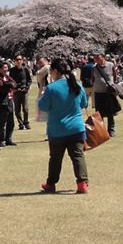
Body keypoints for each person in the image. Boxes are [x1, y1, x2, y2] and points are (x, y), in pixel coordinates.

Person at [37, 59, 89, 194]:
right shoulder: (77, 85)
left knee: (55, 159)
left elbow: (43, 106)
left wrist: (43, 96)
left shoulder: (51, 88)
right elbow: (84, 103)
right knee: (78, 156)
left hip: (57, 129)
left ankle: (51, 184)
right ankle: (82, 183)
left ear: (55, 71)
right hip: (76, 127)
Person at [91, 52, 121, 137]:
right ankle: (101, 131)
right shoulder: (94, 68)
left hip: (108, 92)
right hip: (98, 92)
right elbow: (92, 79)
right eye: (95, 57)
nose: (96, 59)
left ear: (103, 57)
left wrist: (112, 86)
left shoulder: (110, 65)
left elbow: (115, 77)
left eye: (98, 57)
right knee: (99, 113)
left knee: (110, 112)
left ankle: (111, 130)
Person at [0, 61, 17, 147]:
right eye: (4, 67)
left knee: (11, 122)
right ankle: (0, 140)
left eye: (7, 67)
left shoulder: (7, 76)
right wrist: (9, 85)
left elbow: (14, 84)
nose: (6, 69)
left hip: (10, 100)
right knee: (2, 122)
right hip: (2, 102)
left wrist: (9, 85)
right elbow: (1, 87)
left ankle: (8, 139)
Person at [10, 56, 33, 130]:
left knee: (25, 109)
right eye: (17, 60)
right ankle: (21, 124)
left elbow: (29, 80)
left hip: (24, 91)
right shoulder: (12, 70)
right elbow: (10, 80)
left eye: (20, 59)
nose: (19, 61)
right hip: (16, 92)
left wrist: (26, 88)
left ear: (22, 60)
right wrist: (13, 88)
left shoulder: (25, 69)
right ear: (14, 61)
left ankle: (26, 122)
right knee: (17, 110)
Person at [33, 57, 50, 123]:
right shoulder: (44, 70)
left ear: (46, 61)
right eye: (39, 63)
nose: (40, 64)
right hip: (44, 91)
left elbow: (39, 74)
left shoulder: (47, 67)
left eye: (41, 62)